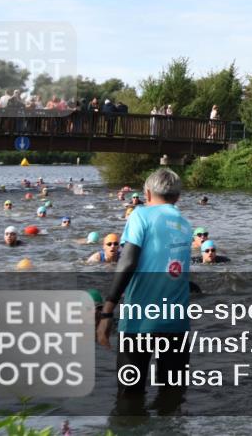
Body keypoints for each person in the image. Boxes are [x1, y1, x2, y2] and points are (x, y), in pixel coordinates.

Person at [95, 168, 193, 413]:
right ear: (178, 198)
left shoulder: (140, 214)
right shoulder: (185, 224)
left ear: (147, 194)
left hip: (141, 321)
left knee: (130, 394)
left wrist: (107, 311)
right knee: (172, 395)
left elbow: (127, 262)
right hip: (177, 323)